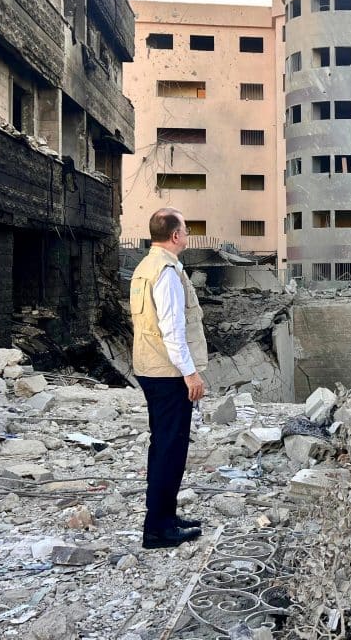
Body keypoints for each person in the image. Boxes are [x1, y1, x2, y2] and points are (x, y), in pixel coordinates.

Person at [130, 207, 207, 549]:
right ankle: (159, 529)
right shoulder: (166, 272)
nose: (187, 236)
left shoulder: (145, 266)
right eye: (186, 230)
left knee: (163, 445)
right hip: (168, 371)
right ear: (175, 235)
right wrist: (190, 373)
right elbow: (172, 329)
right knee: (170, 449)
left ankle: (165, 517)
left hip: (151, 367)